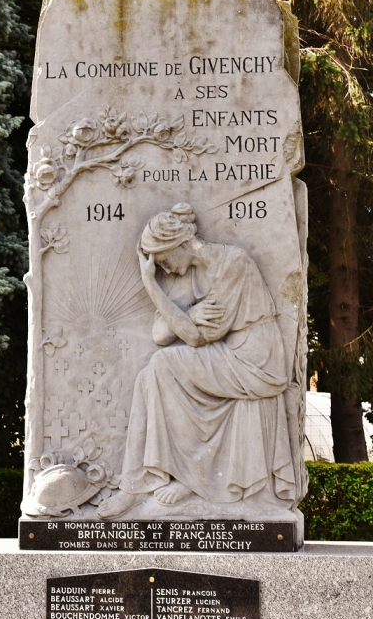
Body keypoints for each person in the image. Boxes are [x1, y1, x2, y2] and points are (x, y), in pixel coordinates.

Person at [98, 203, 297, 518]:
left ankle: (171, 481)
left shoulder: (233, 263)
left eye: (162, 262)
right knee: (148, 376)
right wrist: (188, 313)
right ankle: (135, 486)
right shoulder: (185, 272)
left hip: (255, 356)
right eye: (157, 269)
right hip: (228, 353)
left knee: (163, 366)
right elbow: (161, 332)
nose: (164, 271)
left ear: (179, 246)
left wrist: (153, 288)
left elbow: (193, 337)